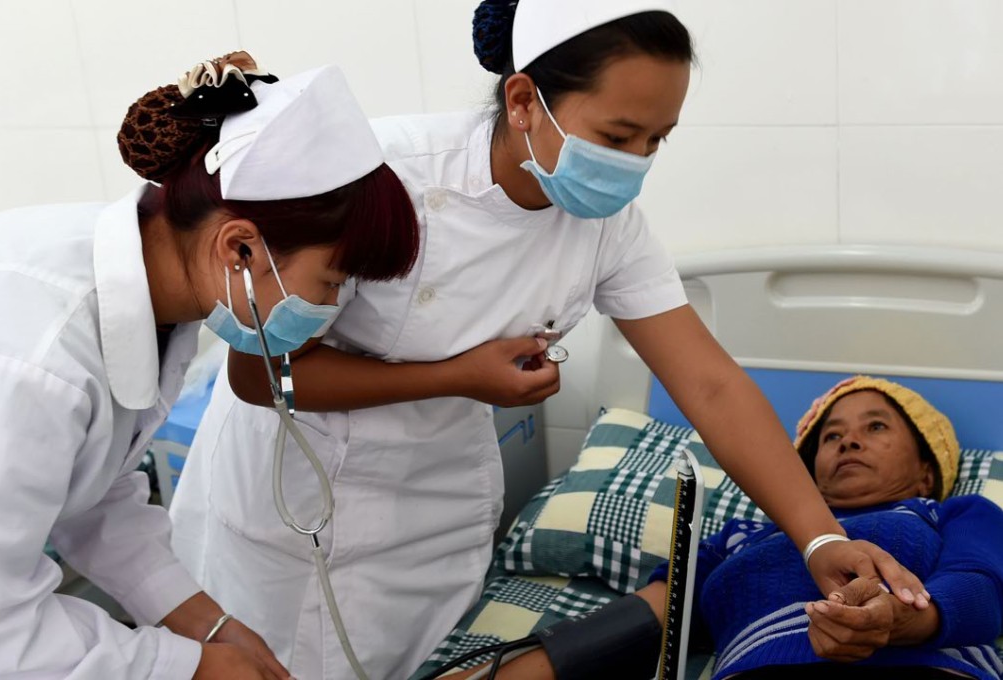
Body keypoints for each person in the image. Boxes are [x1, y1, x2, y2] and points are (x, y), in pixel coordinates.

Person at [170, 2, 928, 678]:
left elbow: (710, 384)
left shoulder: (607, 228)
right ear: (525, 99)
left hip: (426, 518)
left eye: (657, 140)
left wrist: (821, 541)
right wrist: (458, 376)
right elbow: (256, 375)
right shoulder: (380, 180)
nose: (635, 163)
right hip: (289, 508)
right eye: (618, 134)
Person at [0, 52, 419, 679]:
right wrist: (184, 667)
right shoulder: (40, 357)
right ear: (238, 246)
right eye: (330, 281)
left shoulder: (163, 300)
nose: (327, 309)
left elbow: (96, 496)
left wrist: (208, 626)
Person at [439, 377, 1003, 680]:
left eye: (874, 427)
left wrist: (902, 621)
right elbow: (638, 624)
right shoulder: (737, 537)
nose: (848, 441)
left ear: (929, 470)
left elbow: (983, 590)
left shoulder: (956, 512)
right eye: (830, 436)